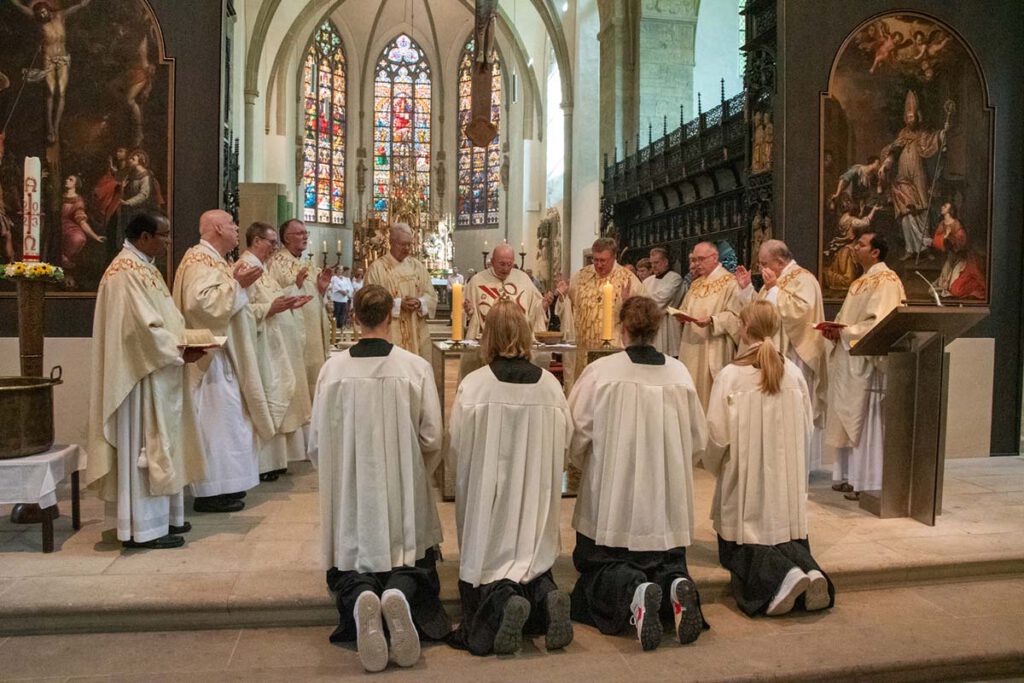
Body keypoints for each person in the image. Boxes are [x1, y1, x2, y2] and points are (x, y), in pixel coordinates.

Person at [309, 285, 450, 672]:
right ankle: (398, 595)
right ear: (391, 316)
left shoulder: (333, 370)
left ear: (354, 316)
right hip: (402, 485)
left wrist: (340, 476)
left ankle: (362, 602)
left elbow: (317, 441)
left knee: (352, 561)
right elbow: (432, 437)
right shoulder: (413, 367)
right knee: (409, 556)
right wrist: (415, 472)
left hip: (352, 491)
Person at [568, 296, 709, 651]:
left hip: (614, 496)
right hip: (664, 500)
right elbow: (696, 439)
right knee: (664, 557)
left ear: (623, 329)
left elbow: (577, 432)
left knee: (603, 562)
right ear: (657, 329)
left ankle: (634, 590)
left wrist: (590, 468)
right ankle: (674, 583)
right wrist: (670, 469)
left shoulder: (602, 372)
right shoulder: (679, 373)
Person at [448, 301, 574, 656]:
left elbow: (457, 445)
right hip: (534, 495)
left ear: (487, 336)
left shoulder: (475, 386)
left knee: (491, 565)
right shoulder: (550, 386)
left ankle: (503, 604)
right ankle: (546, 596)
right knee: (532, 559)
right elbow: (566, 443)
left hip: (488, 496)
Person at [704, 301, 835, 617]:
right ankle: (812, 573)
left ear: (745, 328)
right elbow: (805, 427)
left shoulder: (732, 375)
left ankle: (783, 577)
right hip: (784, 482)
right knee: (781, 536)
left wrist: (714, 465)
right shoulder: (791, 372)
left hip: (746, 478)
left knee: (743, 543)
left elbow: (717, 435)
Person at [86, 212, 204, 549]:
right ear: (143, 236)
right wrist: (180, 348)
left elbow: (162, 318)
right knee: (146, 447)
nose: (168, 242)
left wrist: (184, 343)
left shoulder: (143, 266)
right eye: (163, 236)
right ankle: (142, 529)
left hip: (158, 371)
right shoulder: (124, 274)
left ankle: (163, 520)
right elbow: (140, 331)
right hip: (139, 379)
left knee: (163, 446)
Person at [172, 209, 275, 513]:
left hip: (225, 353)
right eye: (232, 224)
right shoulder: (198, 260)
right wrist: (238, 285)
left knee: (230, 423)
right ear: (217, 227)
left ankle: (225, 486)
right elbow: (198, 303)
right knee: (217, 424)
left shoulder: (215, 260)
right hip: (210, 357)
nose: (236, 228)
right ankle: (210, 492)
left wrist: (236, 285)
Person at [821, 232, 906, 499]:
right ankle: (847, 475)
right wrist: (834, 330)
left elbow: (881, 323)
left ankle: (867, 481)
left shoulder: (886, 280)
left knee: (864, 419)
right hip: (850, 357)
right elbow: (848, 318)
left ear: (875, 252)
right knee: (847, 415)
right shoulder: (860, 281)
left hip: (867, 361)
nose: (854, 248)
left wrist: (845, 332)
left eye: (860, 244)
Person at [746, 240, 829, 473]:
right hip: (774, 352)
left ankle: (800, 465)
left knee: (795, 409)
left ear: (780, 261)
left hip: (795, 354)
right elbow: (761, 310)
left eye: (764, 263)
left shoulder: (803, 278)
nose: (761, 268)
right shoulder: (775, 281)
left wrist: (774, 291)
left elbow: (801, 312)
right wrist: (747, 291)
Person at [238, 222, 312, 482]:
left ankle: (277, 461)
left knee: (281, 395)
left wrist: (291, 299)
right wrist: (272, 308)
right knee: (270, 398)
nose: (274, 247)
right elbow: (242, 309)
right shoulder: (245, 268)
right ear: (256, 240)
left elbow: (273, 297)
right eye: (271, 242)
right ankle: (266, 464)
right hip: (263, 344)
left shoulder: (260, 268)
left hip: (276, 340)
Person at [556, 237, 645, 377]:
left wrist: (628, 304)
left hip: (614, 349)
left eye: (603, 260)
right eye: (595, 259)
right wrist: (562, 297)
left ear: (614, 257)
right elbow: (568, 309)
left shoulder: (628, 279)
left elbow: (643, 317)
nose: (598, 265)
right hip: (583, 349)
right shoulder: (580, 277)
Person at [265, 219, 333, 399]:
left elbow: (312, 298)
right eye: (300, 233)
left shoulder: (307, 264)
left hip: (314, 335)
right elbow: (272, 297)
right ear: (287, 238)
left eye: (306, 233)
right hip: (294, 333)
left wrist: (321, 289)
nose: (305, 236)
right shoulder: (276, 263)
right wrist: (294, 286)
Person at [675, 241, 745, 410]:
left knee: (709, 398)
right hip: (690, 346)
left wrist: (713, 320)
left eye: (700, 259)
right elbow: (685, 308)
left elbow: (737, 317)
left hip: (713, 344)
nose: (695, 264)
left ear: (714, 258)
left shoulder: (730, 283)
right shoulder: (696, 284)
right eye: (694, 260)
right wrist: (681, 315)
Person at [11, 0, 92, 143]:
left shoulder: (60, 16)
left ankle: (56, 126)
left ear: (48, 10)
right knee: (50, 92)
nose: (42, 14)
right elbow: (20, 7)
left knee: (61, 93)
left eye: (44, 11)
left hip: (63, 59)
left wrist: (84, 3)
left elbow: (79, 6)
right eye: (40, 13)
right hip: (48, 59)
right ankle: (49, 127)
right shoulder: (39, 22)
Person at [365, 223, 437, 360]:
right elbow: (370, 301)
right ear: (391, 242)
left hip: (417, 333)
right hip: (390, 333)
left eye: (409, 244)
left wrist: (420, 302)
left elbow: (431, 296)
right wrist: (398, 304)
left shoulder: (417, 267)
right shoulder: (377, 268)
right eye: (403, 244)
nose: (407, 249)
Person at [932, 202, 986, 300]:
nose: (942, 207)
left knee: (954, 288)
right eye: (943, 206)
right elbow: (936, 241)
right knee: (943, 284)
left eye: (945, 206)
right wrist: (945, 237)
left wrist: (950, 239)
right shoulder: (942, 224)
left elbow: (962, 242)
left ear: (950, 211)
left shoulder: (956, 224)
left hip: (962, 258)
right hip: (950, 257)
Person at [60, 174, 104, 288]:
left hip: (72, 227)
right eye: (67, 178)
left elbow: (82, 221)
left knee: (78, 238)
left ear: (76, 184)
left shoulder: (78, 200)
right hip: (59, 226)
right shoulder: (60, 197)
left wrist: (95, 236)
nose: (67, 180)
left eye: (71, 179)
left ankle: (68, 270)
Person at [643, 247, 684, 357]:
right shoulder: (647, 281)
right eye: (652, 263)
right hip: (651, 325)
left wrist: (644, 301)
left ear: (665, 262)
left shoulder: (675, 278)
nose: (654, 266)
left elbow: (662, 299)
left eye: (656, 262)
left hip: (669, 325)